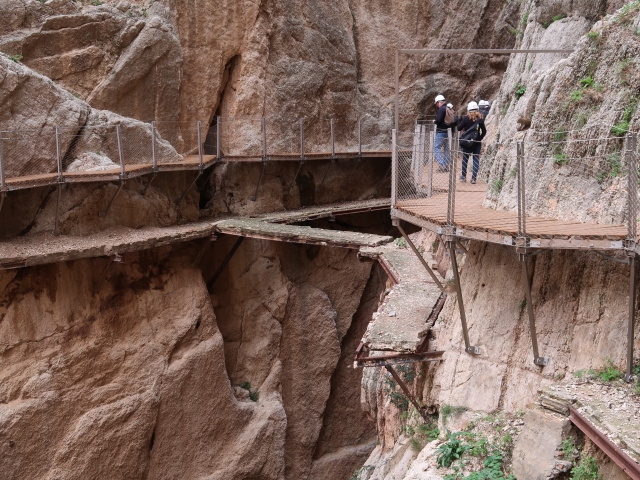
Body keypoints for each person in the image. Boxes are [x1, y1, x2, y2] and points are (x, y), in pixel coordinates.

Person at [457, 101, 487, 184]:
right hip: (476, 142)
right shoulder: (480, 119)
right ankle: (473, 178)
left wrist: (459, 120)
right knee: (476, 159)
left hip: (467, 142)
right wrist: (479, 138)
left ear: (468, 110)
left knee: (465, 159)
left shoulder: (466, 118)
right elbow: (484, 131)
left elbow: (459, 128)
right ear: (477, 109)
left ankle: (463, 176)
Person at [433, 94, 455, 171]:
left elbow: (438, 121)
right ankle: (446, 165)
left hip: (441, 131)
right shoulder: (448, 108)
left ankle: (441, 164)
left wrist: (434, 121)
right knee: (446, 148)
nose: (436, 105)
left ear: (439, 102)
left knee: (436, 147)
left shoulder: (441, 109)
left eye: (436, 103)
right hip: (448, 132)